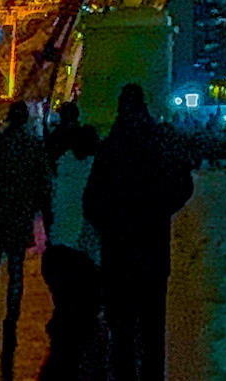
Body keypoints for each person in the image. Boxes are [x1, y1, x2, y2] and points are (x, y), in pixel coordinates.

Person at [83, 82, 194, 381]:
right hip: (153, 250)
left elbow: (91, 202)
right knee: (152, 330)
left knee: (121, 334)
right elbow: (184, 186)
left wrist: (114, 223)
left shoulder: (109, 149)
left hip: (117, 253)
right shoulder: (160, 143)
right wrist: (157, 211)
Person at [0, 99, 52, 343]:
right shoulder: (33, 146)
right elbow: (44, 182)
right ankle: (12, 318)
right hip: (20, 215)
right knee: (16, 269)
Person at [42, 121, 101, 368]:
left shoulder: (61, 169)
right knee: (83, 312)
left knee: (65, 308)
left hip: (57, 250)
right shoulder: (96, 173)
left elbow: (49, 205)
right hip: (83, 254)